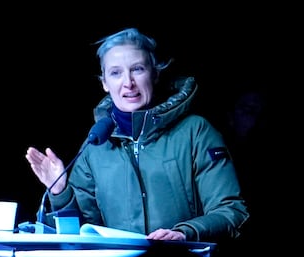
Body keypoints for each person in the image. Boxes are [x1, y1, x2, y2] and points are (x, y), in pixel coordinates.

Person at [25, 27, 249, 244]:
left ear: (155, 73)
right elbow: (80, 236)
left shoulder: (195, 131)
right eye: (115, 73)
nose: (128, 83)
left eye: (137, 69)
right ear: (104, 83)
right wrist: (60, 192)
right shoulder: (95, 146)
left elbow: (232, 211)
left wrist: (185, 233)